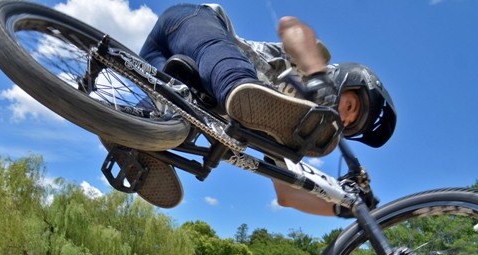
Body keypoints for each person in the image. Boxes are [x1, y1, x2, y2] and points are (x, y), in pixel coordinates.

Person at [107, 5, 396, 211]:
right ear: (344, 80)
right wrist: (318, 78)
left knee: (178, 124)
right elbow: (290, 26)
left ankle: (127, 130)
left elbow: (288, 195)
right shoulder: (308, 65)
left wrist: (341, 207)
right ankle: (237, 86)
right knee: (229, 77)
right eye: (348, 105)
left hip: (177, 78)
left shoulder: (284, 130)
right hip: (188, 26)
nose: (340, 117)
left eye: (346, 123)